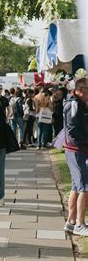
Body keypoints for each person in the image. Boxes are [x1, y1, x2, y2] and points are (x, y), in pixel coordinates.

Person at [63, 77, 88, 236]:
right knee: (84, 186)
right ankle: (80, 223)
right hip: (77, 149)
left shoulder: (77, 103)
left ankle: (71, 221)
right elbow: (73, 130)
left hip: (76, 148)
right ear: (80, 89)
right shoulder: (74, 104)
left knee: (76, 185)